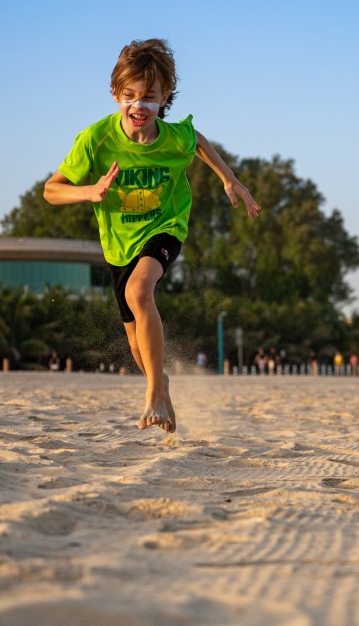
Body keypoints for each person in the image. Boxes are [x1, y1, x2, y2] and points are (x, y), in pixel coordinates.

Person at [44, 38, 261, 433]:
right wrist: (88, 192)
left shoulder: (172, 137)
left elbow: (197, 142)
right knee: (134, 345)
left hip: (165, 227)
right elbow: (51, 190)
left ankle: (153, 397)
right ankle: (160, 383)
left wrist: (230, 180)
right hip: (118, 244)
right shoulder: (96, 139)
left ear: (165, 99)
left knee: (139, 291)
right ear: (115, 94)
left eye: (149, 98)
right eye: (130, 96)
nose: (138, 107)